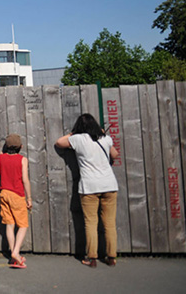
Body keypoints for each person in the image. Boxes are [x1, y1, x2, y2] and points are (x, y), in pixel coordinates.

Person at [56, 113, 119, 268]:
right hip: (109, 185)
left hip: (89, 186)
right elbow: (115, 154)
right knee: (109, 223)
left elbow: (59, 142)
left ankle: (92, 258)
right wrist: (102, 133)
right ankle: (111, 257)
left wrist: (74, 132)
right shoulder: (105, 139)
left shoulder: (78, 139)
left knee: (90, 223)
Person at [0, 133, 32, 268]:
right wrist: (29, 198)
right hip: (17, 195)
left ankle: (13, 255)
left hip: (4, 194)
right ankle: (15, 252)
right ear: (21, 146)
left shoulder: (1, 157)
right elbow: (25, 180)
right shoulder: (22, 159)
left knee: (9, 224)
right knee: (23, 225)